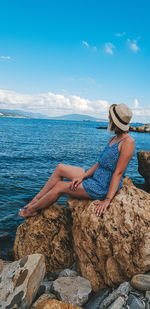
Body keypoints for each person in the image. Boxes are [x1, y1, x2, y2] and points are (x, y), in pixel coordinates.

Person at [19, 103, 135, 218]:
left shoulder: (128, 142)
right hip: (96, 176)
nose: (109, 119)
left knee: (60, 186)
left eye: (110, 118)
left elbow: (118, 173)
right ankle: (36, 199)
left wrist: (107, 200)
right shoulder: (113, 138)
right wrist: (82, 177)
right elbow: (99, 163)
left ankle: (31, 210)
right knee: (60, 168)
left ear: (114, 121)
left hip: (103, 185)